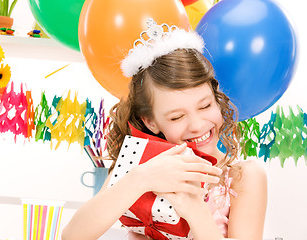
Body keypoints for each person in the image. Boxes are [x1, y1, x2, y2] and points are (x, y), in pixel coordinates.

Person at [62, 18, 267, 240]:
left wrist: (195, 211)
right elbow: (73, 236)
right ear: (151, 122)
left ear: (217, 100)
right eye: (177, 117)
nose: (197, 125)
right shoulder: (138, 166)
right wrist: (141, 178)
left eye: (206, 105)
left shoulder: (242, 177)